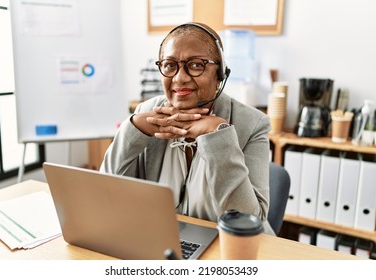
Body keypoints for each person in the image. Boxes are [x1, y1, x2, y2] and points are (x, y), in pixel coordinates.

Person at [100, 22, 274, 234]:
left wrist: (218, 135)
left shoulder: (252, 124)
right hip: (162, 240)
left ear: (219, 74)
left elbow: (250, 219)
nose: (180, 78)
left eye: (196, 65)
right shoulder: (147, 113)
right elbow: (106, 194)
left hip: (225, 247)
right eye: (170, 65)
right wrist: (133, 129)